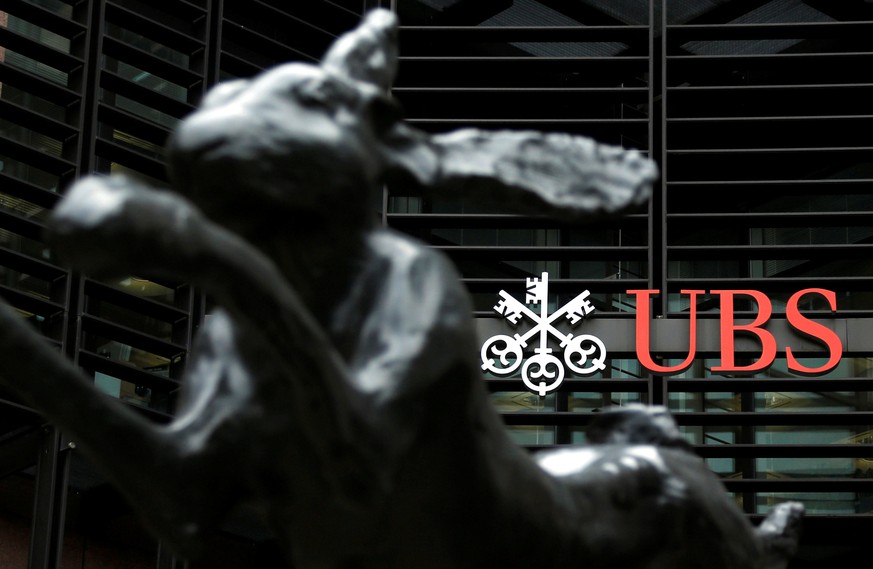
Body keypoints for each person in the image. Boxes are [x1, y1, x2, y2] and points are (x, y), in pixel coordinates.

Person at [0, 9, 800, 568]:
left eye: (306, 103)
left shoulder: (410, 280)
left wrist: (216, 261)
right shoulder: (227, 336)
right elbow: (184, 499)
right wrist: (25, 357)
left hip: (592, 532)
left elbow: (360, 456)